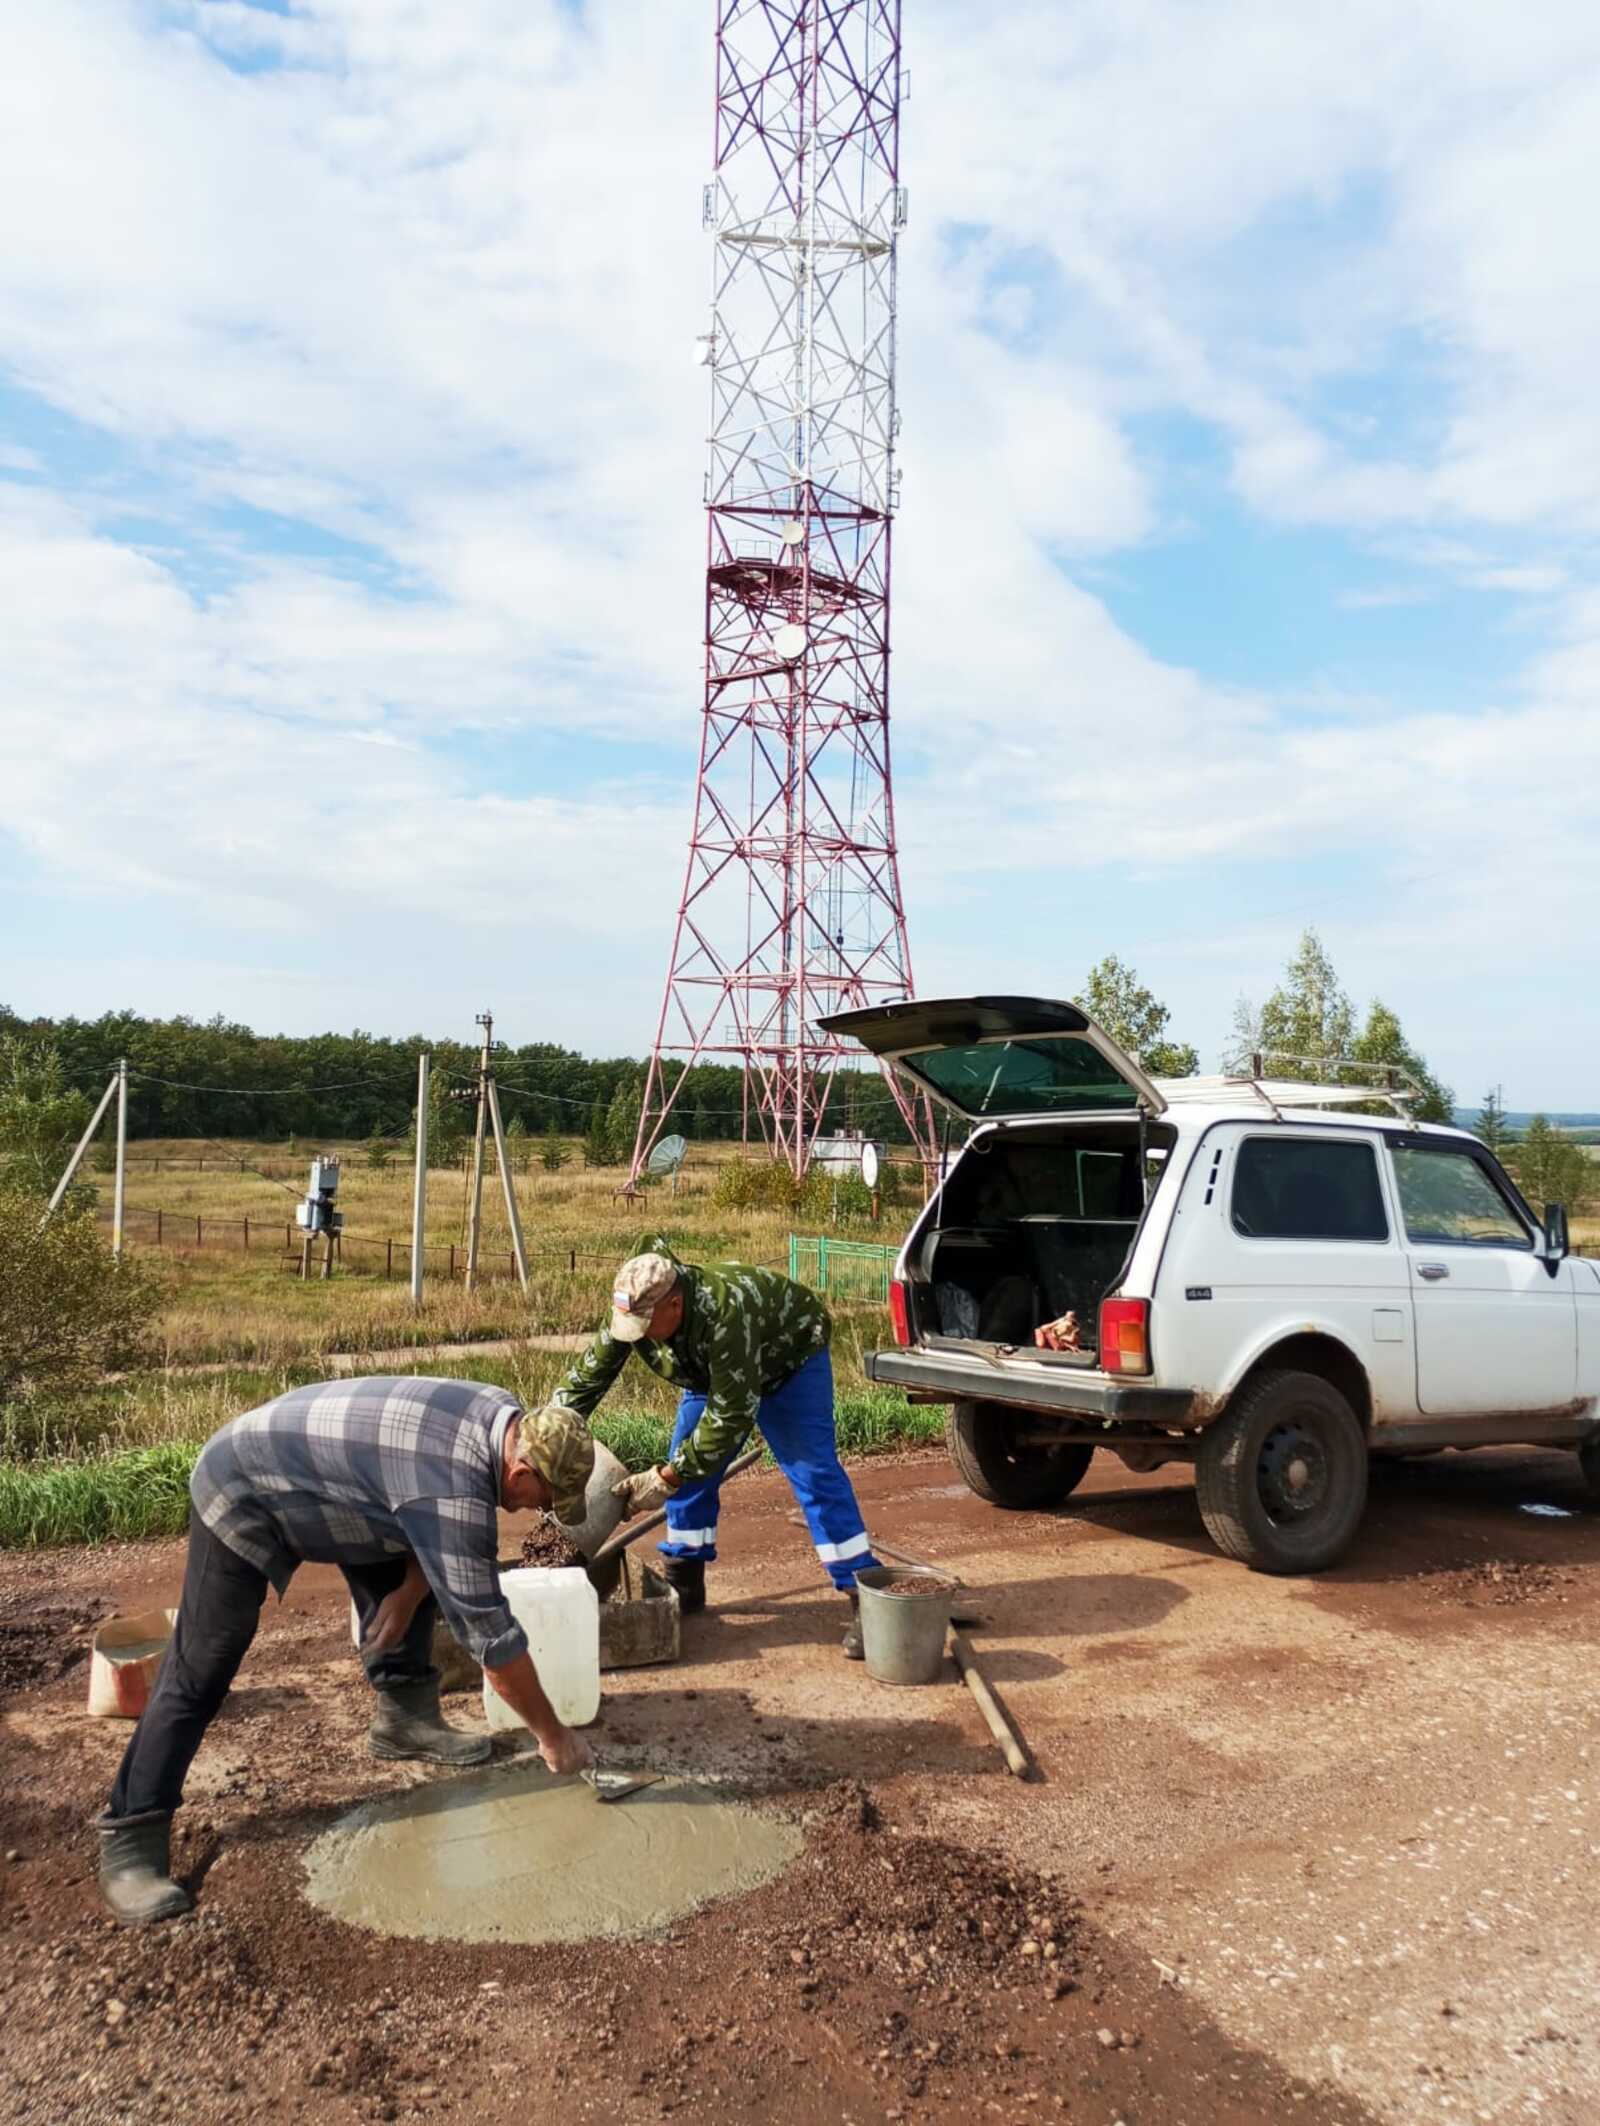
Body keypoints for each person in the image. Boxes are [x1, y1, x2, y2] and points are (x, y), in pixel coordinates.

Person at [96, 1377, 596, 1927]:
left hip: (347, 1488)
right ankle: (132, 1838)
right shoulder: (451, 1489)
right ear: (521, 1471)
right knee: (203, 1665)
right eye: (541, 1501)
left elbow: (424, 1516)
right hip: (245, 1483)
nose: (532, 1513)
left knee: (425, 1563)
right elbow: (492, 1640)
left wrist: (406, 1597)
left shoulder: (500, 1417)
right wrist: (553, 1736)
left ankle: (405, 1720)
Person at [553, 1240, 879, 1658]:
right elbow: (589, 1375)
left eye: (645, 1327)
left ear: (675, 1304)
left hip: (787, 1363)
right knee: (686, 1466)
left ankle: (865, 1598)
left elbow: (731, 1414)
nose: (637, 1339)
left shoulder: (726, 1312)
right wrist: (544, 1435)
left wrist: (666, 1477)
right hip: (714, 1375)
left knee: (813, 1472)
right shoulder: (635, 1304)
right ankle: (684, 1581)